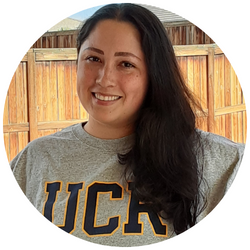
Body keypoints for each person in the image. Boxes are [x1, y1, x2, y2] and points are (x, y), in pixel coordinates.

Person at [10, 3, 244, 247]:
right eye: (93, 58)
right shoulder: (33, 161)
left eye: (126, 64)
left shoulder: (224, 164)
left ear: (155, 74)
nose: (104, 78)